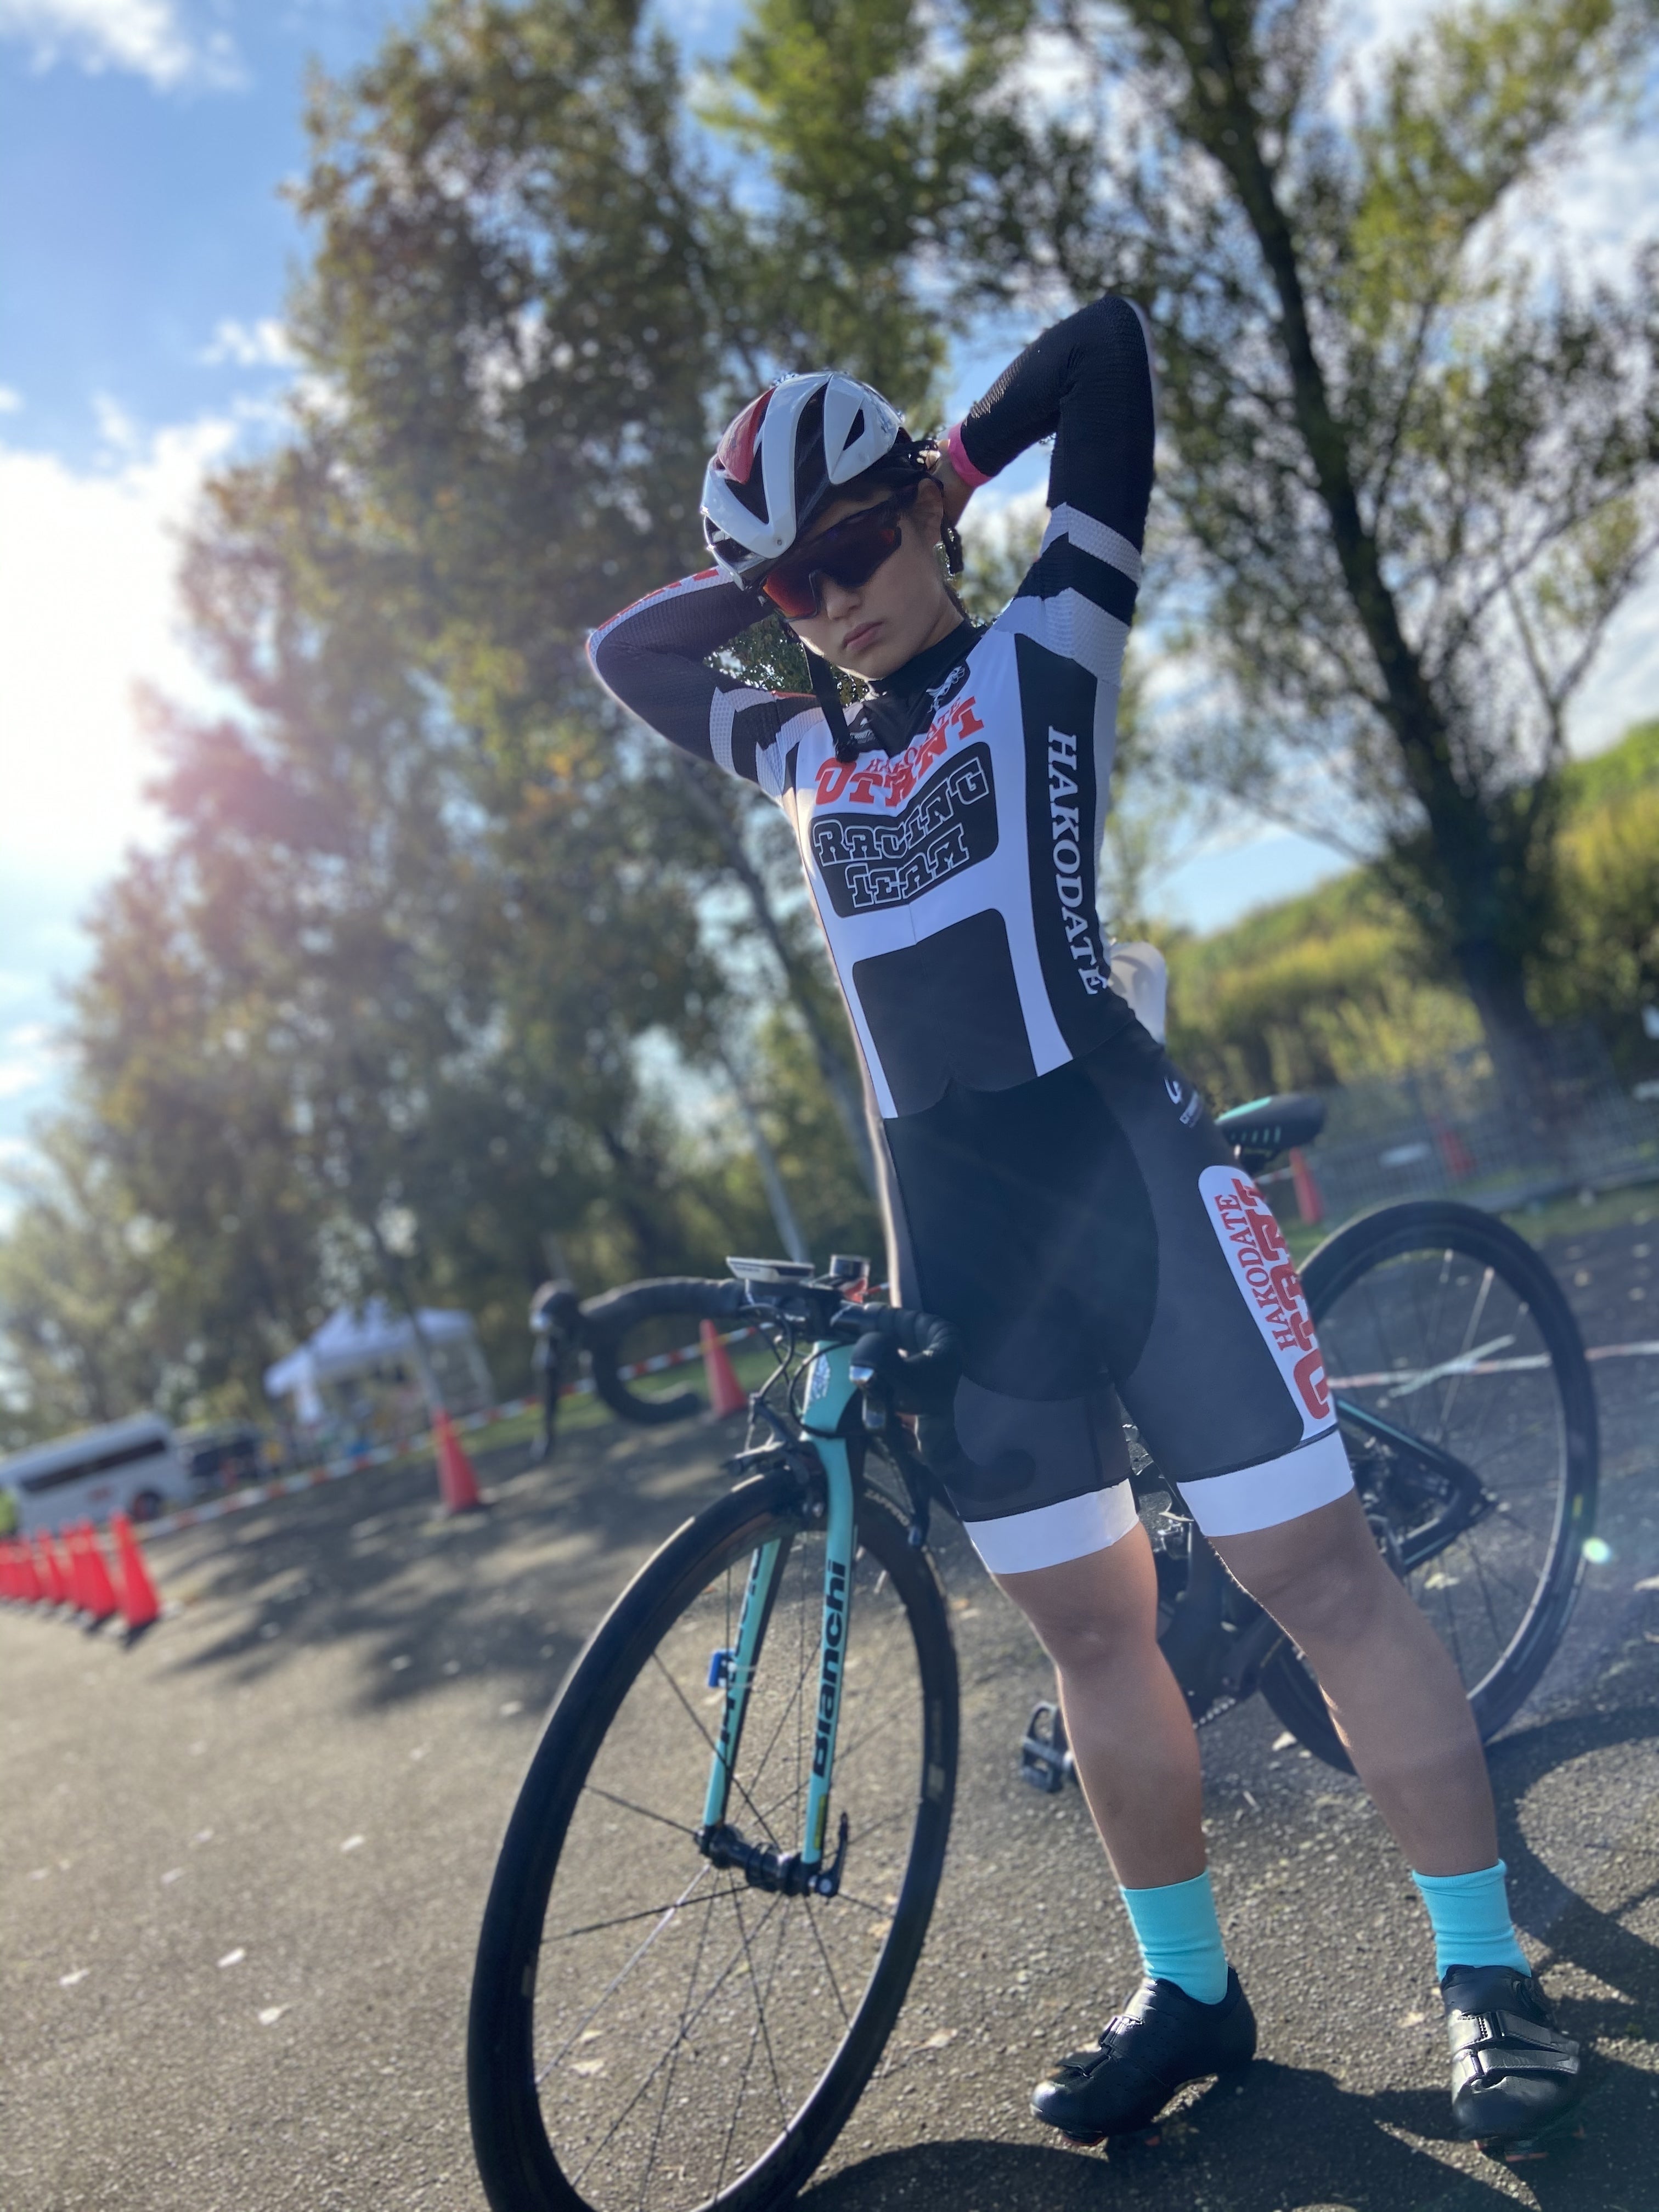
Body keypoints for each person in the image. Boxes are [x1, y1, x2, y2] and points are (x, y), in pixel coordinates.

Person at [588, 297, 1582, 2151]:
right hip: (969, 1261)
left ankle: (1485, 1976)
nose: (836, 600)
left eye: (859, 547)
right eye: (796, 588)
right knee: (1099, 1647)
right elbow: (628, 650)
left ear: (922, 514)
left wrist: (950, 469)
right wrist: (770, 569)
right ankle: (1190, 1990)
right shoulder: (796, 754)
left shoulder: (1048, 643)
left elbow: (1108, 355)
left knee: (1326, 1587)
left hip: (1135, 1198)